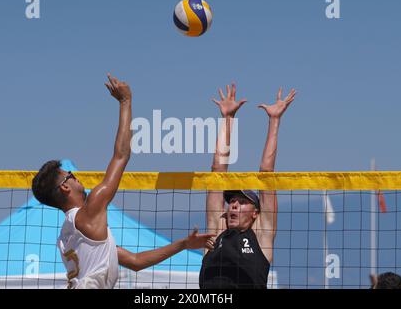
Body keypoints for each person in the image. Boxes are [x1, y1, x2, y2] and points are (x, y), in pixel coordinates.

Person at [32, 73, 214, 289]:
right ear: (64, 187)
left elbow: (136, 262)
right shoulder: (90, 211)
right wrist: (125, 101)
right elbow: (121, 155)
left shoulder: (68, 235)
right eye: (70, 175)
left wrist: (183, 244)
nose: (76, 176)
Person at [199, 83, 296, 289]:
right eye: (232, 200)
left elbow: (266, 173)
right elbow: (217, 171)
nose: (233, 204)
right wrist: (227, 119)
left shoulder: (261, 235)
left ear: (255, 213)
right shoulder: (217, 231)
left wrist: (274, 120)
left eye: (242, 202)